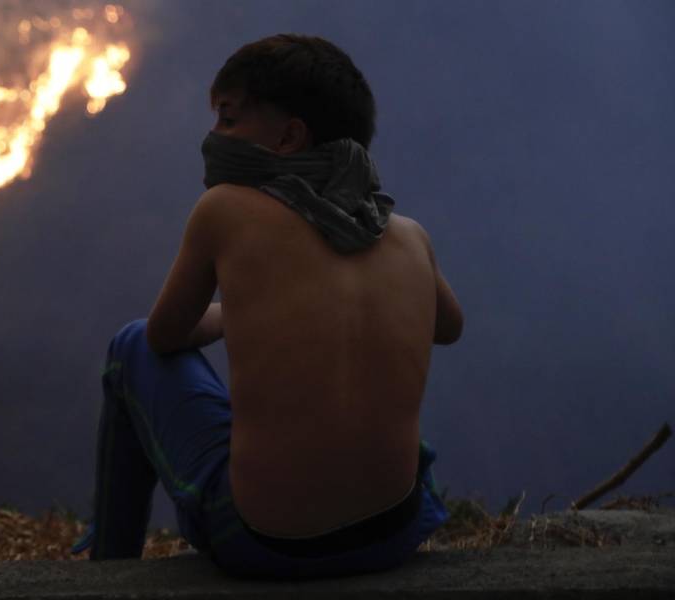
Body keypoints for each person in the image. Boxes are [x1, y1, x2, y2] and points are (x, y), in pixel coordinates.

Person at [71, 34, 463, 579]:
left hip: (266, 543)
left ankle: (106, 572)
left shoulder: (224, 210)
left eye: (229, 120)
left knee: (131, 345)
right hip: (394, 533)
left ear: (288, 138)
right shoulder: (408, 234)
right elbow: (448, 326)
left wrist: (233, 315)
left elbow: (165, 336)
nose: (214, 136)